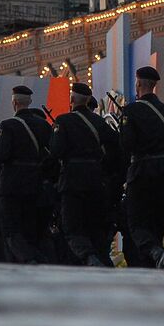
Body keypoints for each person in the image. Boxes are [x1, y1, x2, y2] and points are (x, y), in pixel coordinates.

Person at [120, 66, 164, 269]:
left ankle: (156, 253)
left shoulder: (131, 111)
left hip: (141, 172)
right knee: (157, 222)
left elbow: (126, 145)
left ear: (138, 84)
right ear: (154, 86)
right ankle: (156, 261)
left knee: (137, 223)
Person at [50, 83, 120, 267]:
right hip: (96, 180)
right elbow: (115, 145)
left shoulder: (63, 121)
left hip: (72, 181)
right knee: (94, 225)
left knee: (72, 226)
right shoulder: (99, 122)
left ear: (71, 100)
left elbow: (56, 151)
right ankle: (102, 261)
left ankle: (88, 256)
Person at [0, 85, 53, 264]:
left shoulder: (8, 125)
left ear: (14, 103)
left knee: (12, 227)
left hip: (12, 184)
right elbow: (51, 153)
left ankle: (28, 259)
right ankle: (37, 258)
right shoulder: (43, 125)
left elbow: (2, 155)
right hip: (35, 181)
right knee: (31, 226)